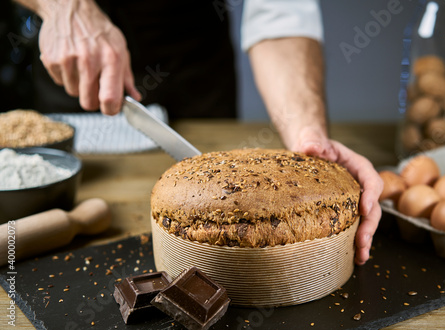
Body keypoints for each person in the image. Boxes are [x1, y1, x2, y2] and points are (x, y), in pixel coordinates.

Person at [14, 0, 383, 265]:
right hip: (76, 64)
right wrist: (62, 6)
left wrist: (309, 137)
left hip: (196, 68)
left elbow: (280, 17)